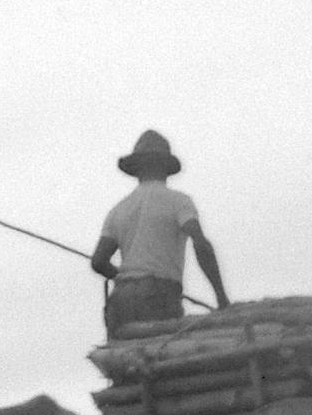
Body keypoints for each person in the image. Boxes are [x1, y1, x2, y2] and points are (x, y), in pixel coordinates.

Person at [89, 130, 227, 337]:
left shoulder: (119, 210)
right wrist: (221, 297)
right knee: (164, 354)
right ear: (165, 167)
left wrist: (128, 279)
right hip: (159, 296)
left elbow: (98, 262)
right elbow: (201, 244)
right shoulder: (179, 202)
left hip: (121, 300)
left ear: (137, 169)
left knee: (127, 361)